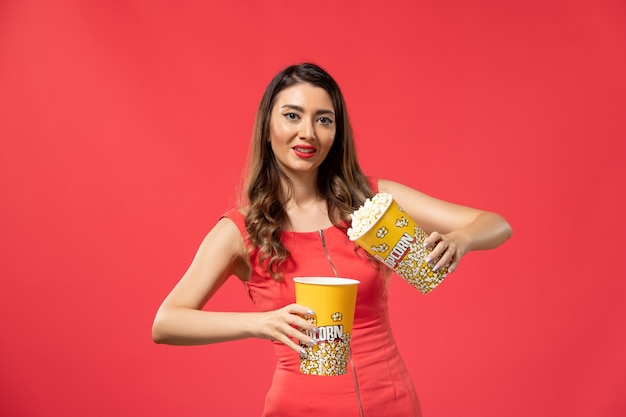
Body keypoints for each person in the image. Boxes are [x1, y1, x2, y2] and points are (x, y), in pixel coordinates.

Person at [152, 63, 512, 416]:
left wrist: (462, 240)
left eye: (324, 119)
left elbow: (496, 224)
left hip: (392, 402)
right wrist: (260, 324)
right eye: (292, 116)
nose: (308, 131)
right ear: (267, 127)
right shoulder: (243, 230)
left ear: (336, 133)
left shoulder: (375, 202)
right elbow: (167, 323)